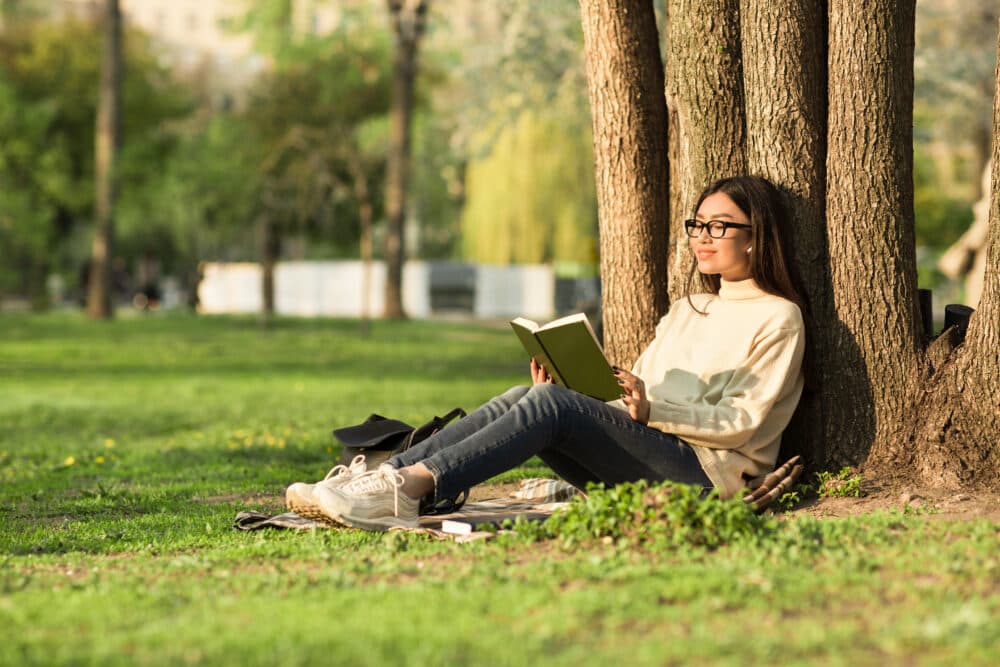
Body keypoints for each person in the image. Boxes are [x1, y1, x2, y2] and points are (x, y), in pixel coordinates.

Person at [286, 174, 807, 531]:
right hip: (645, 455)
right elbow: (631, 401)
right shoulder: (690, 307)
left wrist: (653, 409)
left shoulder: (778, 318)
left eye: (719, 226)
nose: (702, 237)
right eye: (697, 225)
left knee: (550, 407)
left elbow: (744, 421)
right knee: (529, 396)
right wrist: (578, 395)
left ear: (756, 236)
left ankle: (407, 489)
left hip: (701, 476)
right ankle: (381, 480)